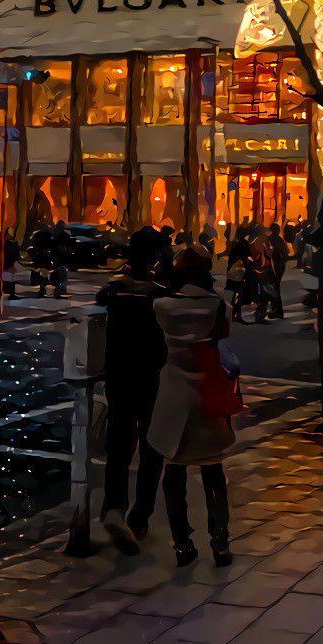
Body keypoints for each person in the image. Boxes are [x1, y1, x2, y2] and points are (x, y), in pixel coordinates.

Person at [147, 246, 238, 568]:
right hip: (206, 391)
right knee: (214, 472)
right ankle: (220, 541)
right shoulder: (217, 305)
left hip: (173, 392)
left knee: (173, 472)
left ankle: (182, 543)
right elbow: (223, 335)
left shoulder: (162, 305)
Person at [96, 227, 168, 554]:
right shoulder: (159, 297)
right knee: (152, 450)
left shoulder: (111, 292)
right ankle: (140, 516)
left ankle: (113, 508)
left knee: (119, 448)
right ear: (155, 257)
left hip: (119, 379)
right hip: (152, 381)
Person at [268, 222, 289, 319]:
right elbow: (286, 252)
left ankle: (278, 310)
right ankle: (278, 310)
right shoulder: (278, 239)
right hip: (278, 267)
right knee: (277, 288)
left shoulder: (271, 239)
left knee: (275, 288)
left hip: (275, 267)